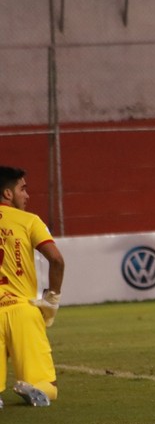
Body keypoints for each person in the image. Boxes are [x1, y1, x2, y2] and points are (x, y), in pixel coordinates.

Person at [0, 166, 65, 409]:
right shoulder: (29, 221)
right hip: (23, 311)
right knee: (47, 385)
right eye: (22, 189)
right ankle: (35, 388)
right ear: (7, 194)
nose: (27, 195)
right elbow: (56, 260)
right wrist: (52, 298)